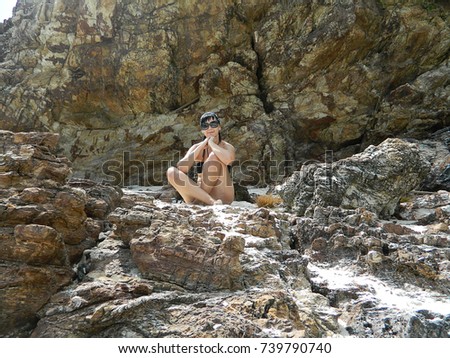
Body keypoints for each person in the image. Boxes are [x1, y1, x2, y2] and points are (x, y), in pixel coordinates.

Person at [166, 112, 235, 205]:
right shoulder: (197, 147)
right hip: (200, 195)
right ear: (202, 130)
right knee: (171, 172)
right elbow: (182, 168)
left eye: (213, 124)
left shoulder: (227, 146)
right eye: (205, 126)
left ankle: (200, 202)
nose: (209, 128)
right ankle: (209, 201)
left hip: (221, 195)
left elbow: (228, 160)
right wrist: (201, 146)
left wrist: (212, 144)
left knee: (214, 157)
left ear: (219, 127)